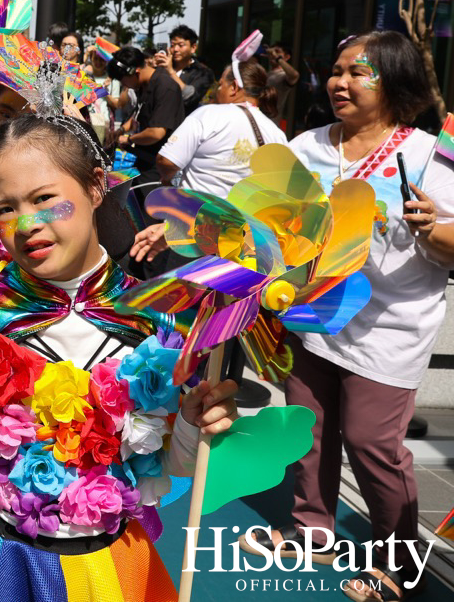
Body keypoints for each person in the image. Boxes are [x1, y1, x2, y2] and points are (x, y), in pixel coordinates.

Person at [0, 114, 239, 601]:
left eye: (45, 198)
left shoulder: (163, 318)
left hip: (107, 572)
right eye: (5, 208)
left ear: (95, 187)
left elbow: (171, 468)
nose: (28, 224)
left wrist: (196, 426)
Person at [243, 30, 454, 602]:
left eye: (359, 72)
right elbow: (266, 219)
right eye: (336, 71)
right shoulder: (308, 144)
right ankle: (312, 530)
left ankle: (397, 564)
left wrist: (431, 227)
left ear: (396, 80)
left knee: (370, 443)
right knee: (309, 430)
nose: (340, 82)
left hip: (389, 328)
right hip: (313, 315)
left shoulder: (429, 153)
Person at [128, 59, 288, 264]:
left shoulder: (209, 114)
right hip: (247, 245)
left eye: (220, 84)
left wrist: (168, 181)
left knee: (189, 295)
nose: (216, 91)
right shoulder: (276, 134)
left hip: (195, 237)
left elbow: (166, 160)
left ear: (234, 88)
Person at [106, 45, 185, 178]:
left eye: (122, 80)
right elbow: (138, 114)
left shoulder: (165, 87)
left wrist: (129, 139)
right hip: (144, 159)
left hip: (160, 166)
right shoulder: (143, 85)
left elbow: (156, 133)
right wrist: (120, 131)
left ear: (134, 71)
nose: (124, 85)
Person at [153, 25, 215, 114]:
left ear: (193, 48)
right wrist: (153, 69)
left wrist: (171, 71)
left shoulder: (203, 72)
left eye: (181, 45)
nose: (175, 49)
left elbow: (190, 98)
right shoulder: (162, 67)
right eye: (172, 45)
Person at [265, 40, 300, 133]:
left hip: (271, 124)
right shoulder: (266, 74)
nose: (273, 54)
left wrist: (277, 58)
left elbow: (295, 75)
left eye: (277, 51)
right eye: (272, 52)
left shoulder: (283, 75)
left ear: (287, 57)